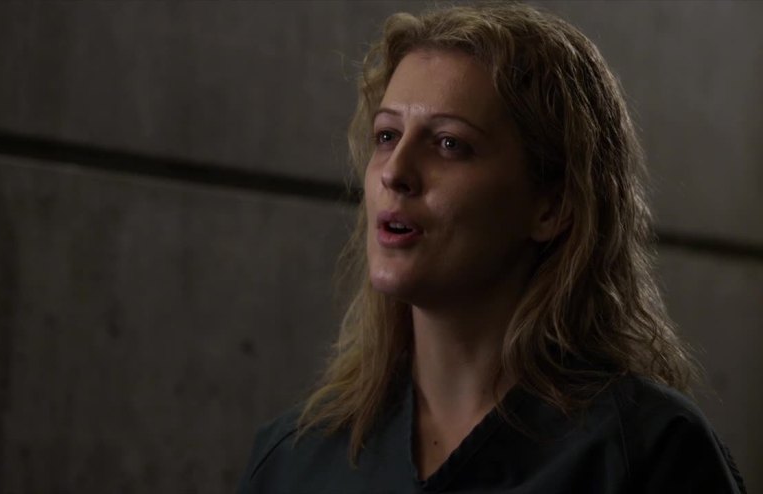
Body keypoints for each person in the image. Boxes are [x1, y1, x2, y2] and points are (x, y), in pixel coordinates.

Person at [237, 3, 746, 493]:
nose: (395, 172)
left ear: (551, 206)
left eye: (449, 144)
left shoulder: (647, 456)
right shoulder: (293, 464)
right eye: (387, 135)